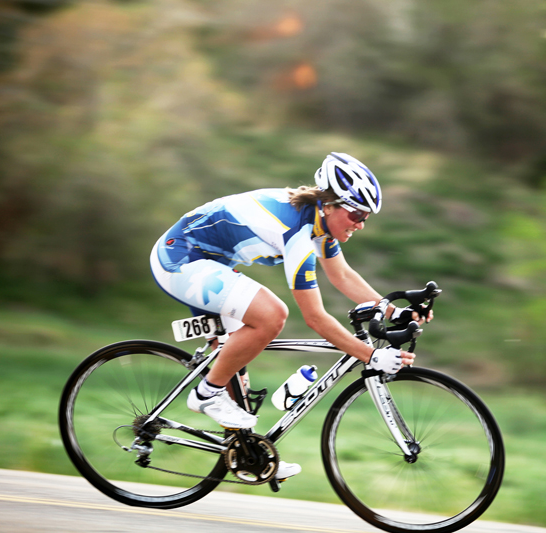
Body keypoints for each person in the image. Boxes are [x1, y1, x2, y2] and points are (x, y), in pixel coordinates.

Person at [149, 152, 428, 481]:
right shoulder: (298, 231)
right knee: (271, 316)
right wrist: (371, 355)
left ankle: (248, 453)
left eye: (365, 216)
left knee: (238, 363)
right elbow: (315, 318)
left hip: (212, 263)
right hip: (180, 258)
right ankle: (206, 394)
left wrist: (393, 310)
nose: (360, 223)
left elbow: (341, 275)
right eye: (356, 213)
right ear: (330, 204)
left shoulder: (319, 223)